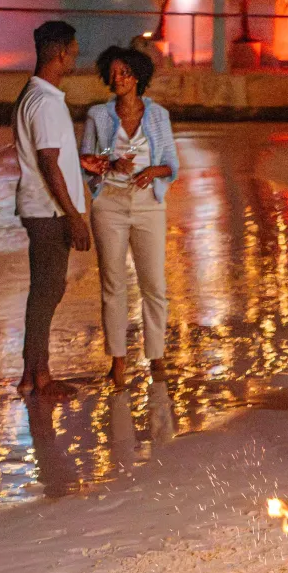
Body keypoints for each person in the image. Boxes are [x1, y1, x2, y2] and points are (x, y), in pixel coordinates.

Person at [80, 46, 180, 387]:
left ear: (137, 76)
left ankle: (156, 356)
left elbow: (172, 164)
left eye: (123, 72)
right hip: (109, 203)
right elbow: (89, 157)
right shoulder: (99, 115)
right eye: (112, 72)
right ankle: (118, 361)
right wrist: (110, 162)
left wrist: (152, 170)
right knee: (113, 284)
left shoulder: (158, 116)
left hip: (148, 204)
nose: (117, 78)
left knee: (154, 284)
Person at [13, 21, 92, 397]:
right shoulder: (44, 101)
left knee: (45, 290)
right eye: (73, 51)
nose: (75, 57)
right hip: (48, 212)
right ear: (61, 52)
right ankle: (38, 376)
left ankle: (32, 373)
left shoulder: (35, 95)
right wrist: (73, 216)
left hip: (42, 209)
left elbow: (53, 158)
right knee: (47, 291)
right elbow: (48, 161)